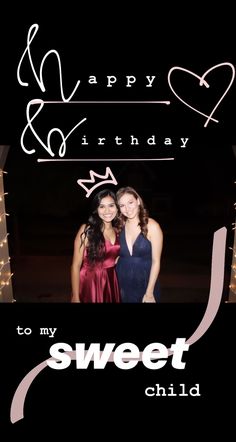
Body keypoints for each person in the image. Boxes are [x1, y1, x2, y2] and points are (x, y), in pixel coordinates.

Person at [71, 189, 121, 303]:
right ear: (96, 209)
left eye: (111, 205)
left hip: (111, 281)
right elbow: (75, 265)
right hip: (90, 282)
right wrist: (75, 296)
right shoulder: (87, 230)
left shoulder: (118, 231)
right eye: (102, 206)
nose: (107, 210)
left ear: (117, 207)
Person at [116, 186, 163, 303]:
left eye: (130, 202)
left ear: (138, 201)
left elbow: (156, 261)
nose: (127, 208)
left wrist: (149, 292)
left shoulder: (152, 226)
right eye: (122, 205)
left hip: (146, 283)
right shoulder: (119, 228)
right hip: (122, 283)